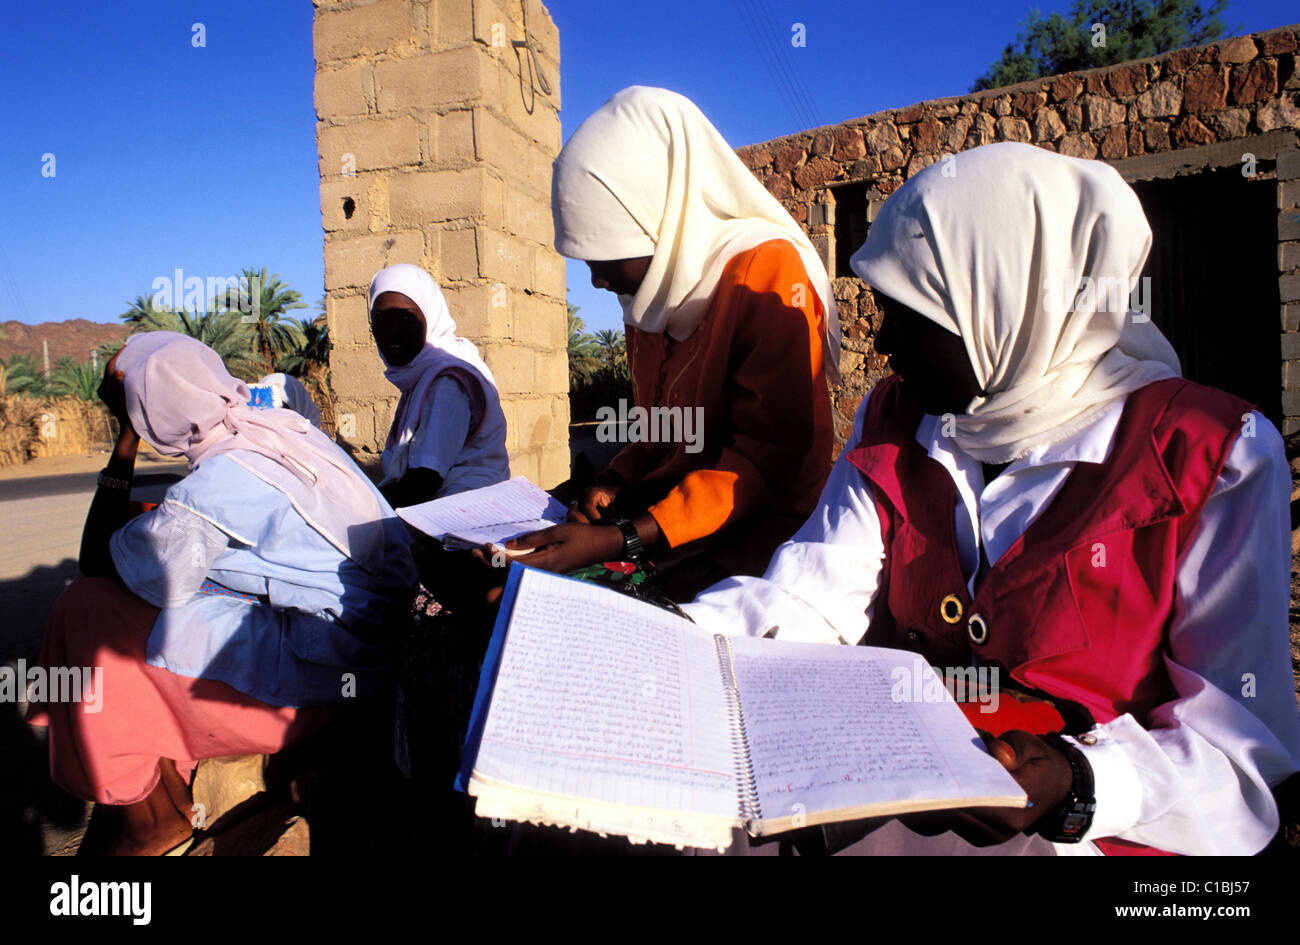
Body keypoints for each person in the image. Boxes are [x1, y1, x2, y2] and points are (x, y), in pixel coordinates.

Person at [683, 141, 1300, 855]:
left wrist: (1078, 783)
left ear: (1001, 303)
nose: (883, 342)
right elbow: (809, 595)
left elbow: (1238, 759)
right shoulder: (895, 421)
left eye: (909, 315)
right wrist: (683, 640)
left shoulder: (1211, 455)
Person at [26, 331, 417, 855]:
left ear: (147, 408)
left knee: (88, 609)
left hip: (325, 673)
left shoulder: (222, 477)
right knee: (152, 596)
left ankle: (146, 819)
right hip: (367, 647)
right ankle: (158, 783)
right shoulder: (277, 429)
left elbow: (96, 558)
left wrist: (125, 439)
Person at [512, 86, 840, 601]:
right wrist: (614, 484)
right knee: (503, 585)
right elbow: (660, 430)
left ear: (655, 221)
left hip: (759, 550)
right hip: (663, 530)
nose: (596, 280)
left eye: (603, 254)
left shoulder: (766, 274)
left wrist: (616, 538)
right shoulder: (651, 298)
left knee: (533, 605)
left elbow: (761, 466)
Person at [369, 264, 509, 509]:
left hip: (462, 516)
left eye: (405, 317)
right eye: (380, 319)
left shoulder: (446, 382)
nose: (391, 331)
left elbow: (423, 483)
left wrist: (357, 507)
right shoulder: (421, 375)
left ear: (430, 315)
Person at [257, 371, 322, 428]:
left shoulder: (317, 440)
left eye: (283, 408)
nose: (275, 414)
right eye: (267, 406)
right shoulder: (251, 435)